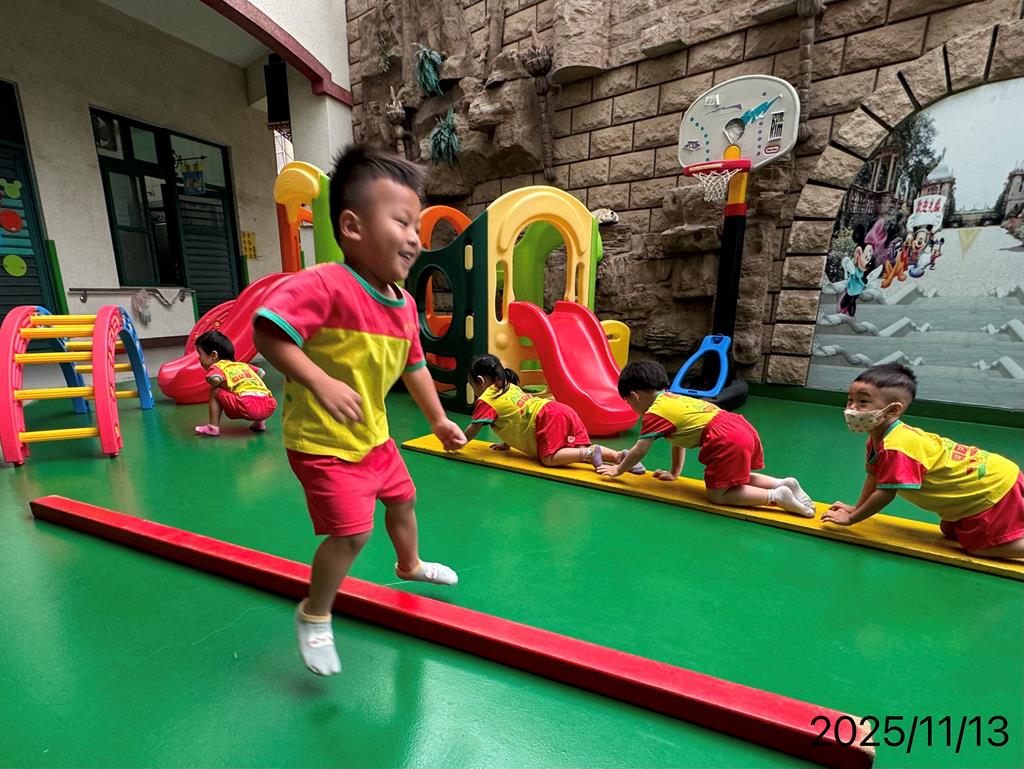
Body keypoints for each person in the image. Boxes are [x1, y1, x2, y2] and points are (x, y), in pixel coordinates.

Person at [253, 146, 466, 677]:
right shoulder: (325, 284)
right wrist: (320, 380)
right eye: (401, 222)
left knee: (403, 500)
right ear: (352, 227)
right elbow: (267, 333)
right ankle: (314, 613)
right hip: (322, 442)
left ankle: (409, 565)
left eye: (417, 225)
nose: (415, 238)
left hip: (373, 436)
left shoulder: (404, 303)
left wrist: (438, 419)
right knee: (351, 534)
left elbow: (414, 366)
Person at [822, 363, 1023, 559]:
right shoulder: (878, 439)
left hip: (993, 485)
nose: (852, 408)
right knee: (949, 531)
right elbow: (873, 477)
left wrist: (852, 518)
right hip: (988, 475)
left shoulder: (896, 447)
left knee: (979, 548)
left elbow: (885, 494)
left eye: (863, 402)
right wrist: (857, 507)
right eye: (850, 400)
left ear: (893, 410)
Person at [596, 361, 815, 517]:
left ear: (635, 396)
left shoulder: (655, 413)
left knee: (718, 494)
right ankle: (782, 482)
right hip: (738, 426)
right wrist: (674, 473)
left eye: (628, 403)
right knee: (735, 478)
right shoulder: (674, 399)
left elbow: (639, 450)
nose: (631, 407)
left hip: (725, 438)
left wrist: (618, 470)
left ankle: (775, 495)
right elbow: (677, 441)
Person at [462, 354, 644, 472]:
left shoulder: (487, 399)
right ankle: (619, 456)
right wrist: (506, 442)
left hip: (547, 418)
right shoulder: (508, 386)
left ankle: (589, 453)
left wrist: (459, 442)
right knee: (573, 450)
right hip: (558, 409)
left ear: (480, 381)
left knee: (550, 458)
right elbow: (513, 416)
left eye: (472, 386)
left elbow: (474, 427)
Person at [193, 330, 276, 436]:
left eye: (200, 354)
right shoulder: (243, 365)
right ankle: (259, 423)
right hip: (269, 405)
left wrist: (215, 381)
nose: (199, 358)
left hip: (248, 406)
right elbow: (261, 373)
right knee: (254, 388)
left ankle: (213, 427)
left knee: (215, 391)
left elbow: (215, 380)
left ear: (214, 355)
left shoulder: (218, 366)